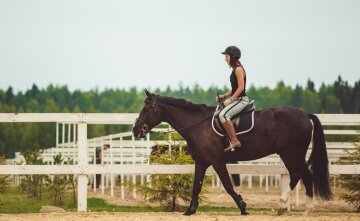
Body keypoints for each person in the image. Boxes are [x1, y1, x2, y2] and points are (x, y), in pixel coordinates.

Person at [216, 46, 249, 152]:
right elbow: (234, 89)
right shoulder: (235, 69)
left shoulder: (239, 69)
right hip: (237, 99)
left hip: (241, 100)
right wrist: (224, 96)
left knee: (223, 115)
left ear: (233, 57)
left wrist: (231, 99)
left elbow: (241, 88)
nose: (225, 59)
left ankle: (235, 141)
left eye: (226, 56)